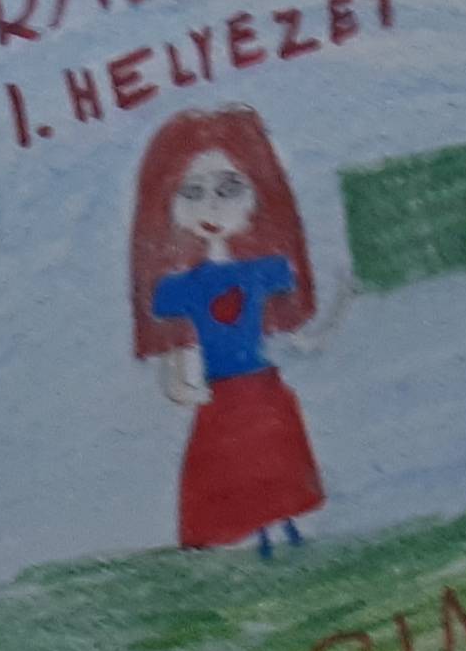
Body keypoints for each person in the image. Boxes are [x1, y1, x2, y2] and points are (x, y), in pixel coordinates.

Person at [129, 106, 330, 556]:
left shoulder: (261, 273)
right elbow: (175, 363)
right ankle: (262, 540)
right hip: (222, 398)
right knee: (239, 474)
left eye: (229, 188)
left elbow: (304, 340)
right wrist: (183, 387)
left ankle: (288, 533)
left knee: (274, 467)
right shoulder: (180, 288)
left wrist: (343, 302)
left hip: (263, 389)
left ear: (260, 193)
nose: (212, 207)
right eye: (192, 192)